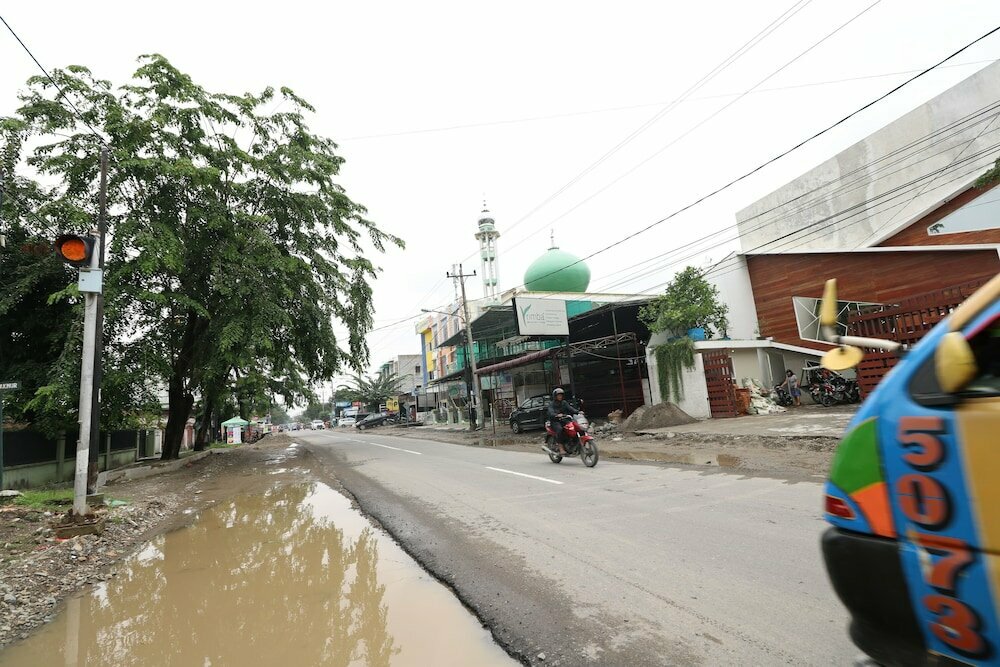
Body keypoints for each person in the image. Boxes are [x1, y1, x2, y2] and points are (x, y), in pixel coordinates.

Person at [547, 387, 577, 454]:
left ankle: (573, 443)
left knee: (573, 427)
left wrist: (578, 412)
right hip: (555, 421)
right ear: (555, 396)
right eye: (558, 395)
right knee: (560, 429)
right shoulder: (551, 404)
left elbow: (570, 409)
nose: (560, 396)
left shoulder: (564, 402)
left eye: (561, 395)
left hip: (564, 420)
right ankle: (561, 448)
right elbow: (550, 412)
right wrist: (556, 415)